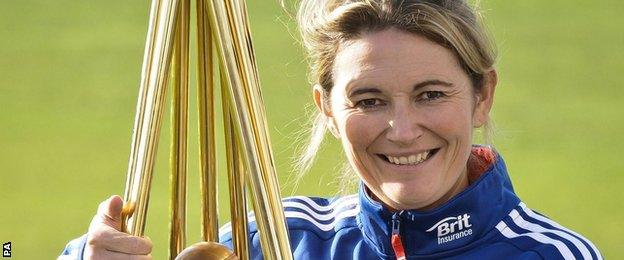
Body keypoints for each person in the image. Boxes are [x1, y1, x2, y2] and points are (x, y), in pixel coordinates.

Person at [60, 0, 603, 259]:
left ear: (482, 95)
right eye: (368, 100)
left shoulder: (551, 255)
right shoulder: (280, 237)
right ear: (325, 108)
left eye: (430, 95)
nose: (402, 129)